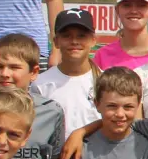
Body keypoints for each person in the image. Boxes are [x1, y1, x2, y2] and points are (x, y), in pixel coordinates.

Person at [32, 9, 99, 140]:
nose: (74, 41)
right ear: (56, 41)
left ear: (93, 40)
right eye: (67, 36)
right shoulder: (41, 84)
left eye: (81, 36)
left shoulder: (105, 80)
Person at [93, 0, 148, 70]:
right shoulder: (103, 55)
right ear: (117, 10)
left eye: (141, 5)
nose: (134, 11)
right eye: (126, 5)